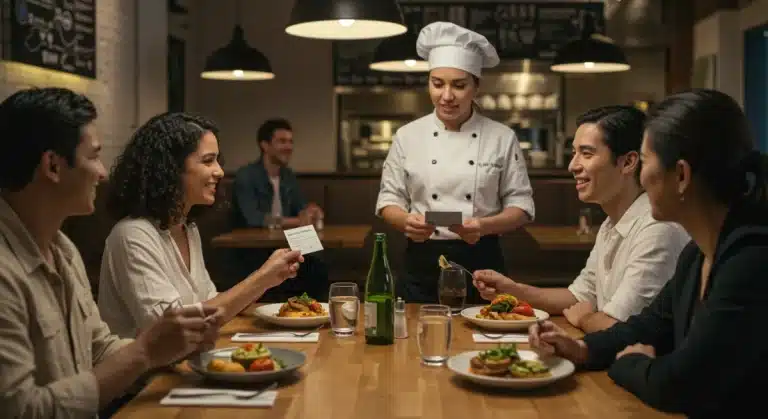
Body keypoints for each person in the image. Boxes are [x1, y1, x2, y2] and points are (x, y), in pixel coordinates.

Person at [528, 89, 768, 417]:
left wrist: (630, 363)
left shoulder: (750, 261)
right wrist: (581, 349)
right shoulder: (697, 255)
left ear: (680, 176)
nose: (641, 176)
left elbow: (680, 384)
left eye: (646, 160)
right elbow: (646, 327)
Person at [0, 87, 222, 418]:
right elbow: (21, 410)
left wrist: (170, 348)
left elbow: (100, 349)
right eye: (93, 156)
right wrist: (146, 351)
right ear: (53, 166)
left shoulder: (63, 251)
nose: (103, 172)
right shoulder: (5, 272)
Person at [473, 106, 689, 332]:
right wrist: (511, 290)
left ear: (628, 162)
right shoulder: (611, 223)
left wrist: (585, 319)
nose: (572, 165)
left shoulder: (657, 230)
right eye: (574, 152)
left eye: (586, 154)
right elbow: (578, 296)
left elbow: (617, 328)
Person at [97, 112, 303, 339]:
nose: (220, 171)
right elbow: (171, 333)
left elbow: (210, 304)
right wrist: (262, 278)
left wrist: (268, 279)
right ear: (171, 168)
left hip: (185, 363)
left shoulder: (187, 228)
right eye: (207, 161)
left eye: (217, 160)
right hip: (149, 374)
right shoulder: (133, 235)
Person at [375, 21, 535, 304]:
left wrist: (483, 226)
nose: (446, 96)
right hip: (421, 260)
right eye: (437, 84)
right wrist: (405, 222)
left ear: (476, 86)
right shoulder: (408, 136)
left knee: (484, 341)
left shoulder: (501, 137)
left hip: (482, 263)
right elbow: (389, 198)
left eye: (459, 85)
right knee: (413, 341)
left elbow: (521, 207)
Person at [231, 118, 328, 302]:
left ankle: (311, 314)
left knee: (318, 263)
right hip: (253, 251)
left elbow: (300, 208)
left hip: (284, 245)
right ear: (265, 145)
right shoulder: (247, 176)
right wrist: (295, 221)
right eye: (282, 141)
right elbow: (252, 218)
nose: (288, 147)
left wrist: (310, 210)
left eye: (291, 141)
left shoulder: (287, 175)